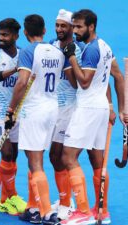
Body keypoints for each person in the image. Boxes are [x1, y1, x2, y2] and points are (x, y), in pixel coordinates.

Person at [60, 9, 124, 225]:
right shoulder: (105, 47)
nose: (74, 31)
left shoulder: (91, 50)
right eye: (74, 26)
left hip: (87, 109)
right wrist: (120, 108)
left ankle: (83, 212)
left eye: (79, 27)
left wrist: (70, 57)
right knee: (96, 160)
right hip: (101, 109)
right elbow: (119, 76)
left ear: (91, 27)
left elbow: (84, 82)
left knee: (67, 157)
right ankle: (102, 212)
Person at [6, 14, 71, 225]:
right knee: (35, 159)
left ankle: (46, 213)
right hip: (52, 109)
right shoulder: (57, 51)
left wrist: (10, 110)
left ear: (25, 33)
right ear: (44, 31)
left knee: (35, 163)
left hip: (33, 110)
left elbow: (22, 82)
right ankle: (32, 208)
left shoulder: (27, 51)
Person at [0, 18, 27, 216]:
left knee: (13, 155)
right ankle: (14, 196)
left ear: (16, 36)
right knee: (6, 152)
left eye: (5, 35)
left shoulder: (23, 53)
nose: (1, 38)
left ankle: (4, 200)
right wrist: (16, 69)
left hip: (14, 111)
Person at [48, 9, 84, 221]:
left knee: (61, 156)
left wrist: (68, 59)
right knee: (54, 157)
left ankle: (67, 205)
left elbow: (78, 84)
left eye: (64, 26)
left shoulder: (78, 50)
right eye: (57, 25)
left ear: (72, 27)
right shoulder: (51, 46)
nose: (59, 29)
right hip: (52, 108)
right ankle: (65, 201)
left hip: (70, 109)